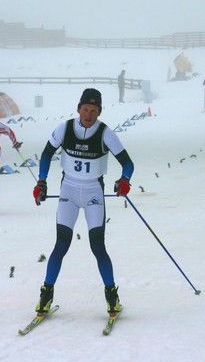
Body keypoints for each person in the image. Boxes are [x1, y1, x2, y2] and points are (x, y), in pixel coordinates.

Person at [31, 88, 134, 317]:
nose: (88, 115)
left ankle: (111, 296)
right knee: (61, 245)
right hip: (68, 191)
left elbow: (128, 163)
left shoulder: (105, 133)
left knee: (98, 247)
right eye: (85, 110)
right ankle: (46, 294)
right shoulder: (65, 128)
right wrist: (42, 182)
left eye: (94, 111)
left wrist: (124, 180)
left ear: (99, 112)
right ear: (78, 109)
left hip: (93, 194)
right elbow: (46, 154)